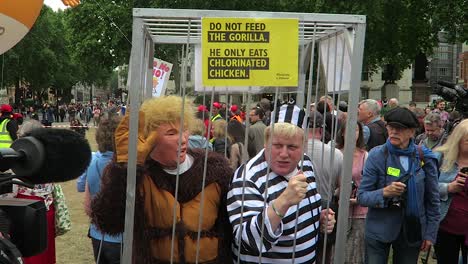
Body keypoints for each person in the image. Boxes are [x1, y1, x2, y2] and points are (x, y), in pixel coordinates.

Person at [91, 95, 233, 263]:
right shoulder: (139, 173)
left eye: (185, 130)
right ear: (149, 138)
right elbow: (108, 223)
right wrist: (124, 170)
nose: (183, 139)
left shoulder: (215, 170)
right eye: (171, 133)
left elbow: (231, 228)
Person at [227, 104, 336, 263]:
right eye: (277, 145)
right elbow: (248, 240)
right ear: (266, 143)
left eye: (292, 147)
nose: (284, 154)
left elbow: (300, 214)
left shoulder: (305, 163)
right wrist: (284, 201)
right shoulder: (247, 178)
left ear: (304, 146)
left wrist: (319, 218)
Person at [357, 107, 440, 264]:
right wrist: (384, 192)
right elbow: (362, 196)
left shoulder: (424, 157)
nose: (394, 132)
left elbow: (432, 199)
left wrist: (430, 233)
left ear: (411, 132)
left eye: (400, 129)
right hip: (379, 230)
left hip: (412, 231)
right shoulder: (377, 155)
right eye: (391, 127)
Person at [82, 116, 122, 263]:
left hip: (98, 237)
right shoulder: (130, 168)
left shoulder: (92, 162)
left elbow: (88, 208)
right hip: (123, 240)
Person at [307, 111, 343, 263]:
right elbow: (342, 188)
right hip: (328, 208)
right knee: (323, 255)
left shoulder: (294, 151)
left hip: (300, 208)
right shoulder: (336, 154)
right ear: (322, 130)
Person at [433, 119, 468, 264]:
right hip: (445, 225)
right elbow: (426, 189)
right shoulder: (439, 157)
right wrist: (449, 187)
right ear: (458, 140)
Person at [335, 121, 368, 264]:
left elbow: (369, 183)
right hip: (338, 209)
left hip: (359, 211)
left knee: (355, 253)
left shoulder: (365, 155)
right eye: (348, 130)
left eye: (355, 130)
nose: (352, 133)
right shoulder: (335, 153)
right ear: (342, 132)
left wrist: (359, 197)